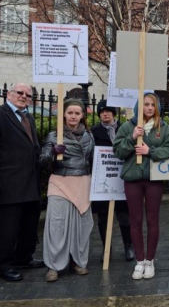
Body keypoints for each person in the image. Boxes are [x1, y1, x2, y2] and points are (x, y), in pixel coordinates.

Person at [113, 91, 169, 280]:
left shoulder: (163, 127)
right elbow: (118, 151)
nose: (150, 108)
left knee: (152, 219)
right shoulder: (127, 126)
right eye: (146, 104)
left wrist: (151, 151)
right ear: (139, 106)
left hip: (154, 179)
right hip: (132, 179)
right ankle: (139, 261)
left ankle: (150, 260)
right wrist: (132, 137)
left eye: (153, 105)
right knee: (135, 220)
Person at [39, 98, 95, 282]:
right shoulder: (54, 135)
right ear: (64, 114)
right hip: (60, 182)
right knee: (57, 225)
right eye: (70, 112)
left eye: (77, 113)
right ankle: (53, 266)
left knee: (82, 226)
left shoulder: (89, 136)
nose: (73, 116)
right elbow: (42, 162)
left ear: (82, 115)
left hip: (82, 183)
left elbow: (94, 161)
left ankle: (77, 262)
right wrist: (52, 152)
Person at [0, 83, 45, 282]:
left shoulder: (28, 118)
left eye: (28, 95)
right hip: (9, 183)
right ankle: (4, 265)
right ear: (9, 94)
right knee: (8, 228)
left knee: (28, 224)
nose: (23, 96)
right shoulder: (2, 115)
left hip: (30, 181)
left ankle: (24, 257)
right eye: (19, 93)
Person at [91, 100, 134, 262]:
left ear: (114, 113)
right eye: (102, 111)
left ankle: (128, 246)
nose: (105, 114)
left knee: (124, 215)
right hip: (103, 178)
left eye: (108, 111)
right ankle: (106, 247)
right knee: (103, 217)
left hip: (121, 176)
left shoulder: (124, 129)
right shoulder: (94, 132)